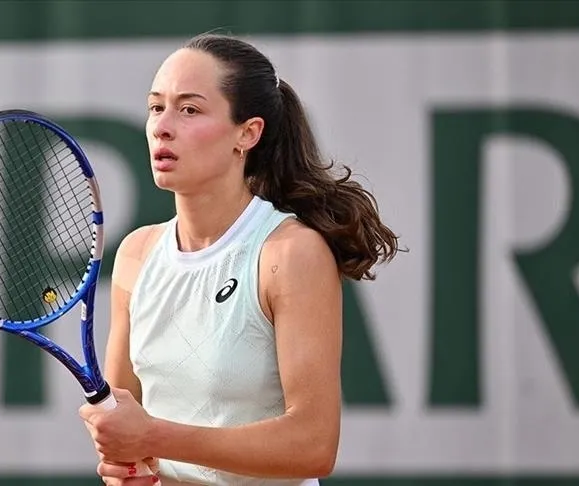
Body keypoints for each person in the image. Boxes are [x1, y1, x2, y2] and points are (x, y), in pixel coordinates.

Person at [79, 33, 399, 485]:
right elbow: (129, 430)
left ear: (247, 133)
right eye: (156, 107)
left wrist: (152, 437)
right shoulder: (137, 253)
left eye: (189, 109)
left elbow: (313, 444)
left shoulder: (290, 254)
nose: (162, 126)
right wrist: (125, 466)